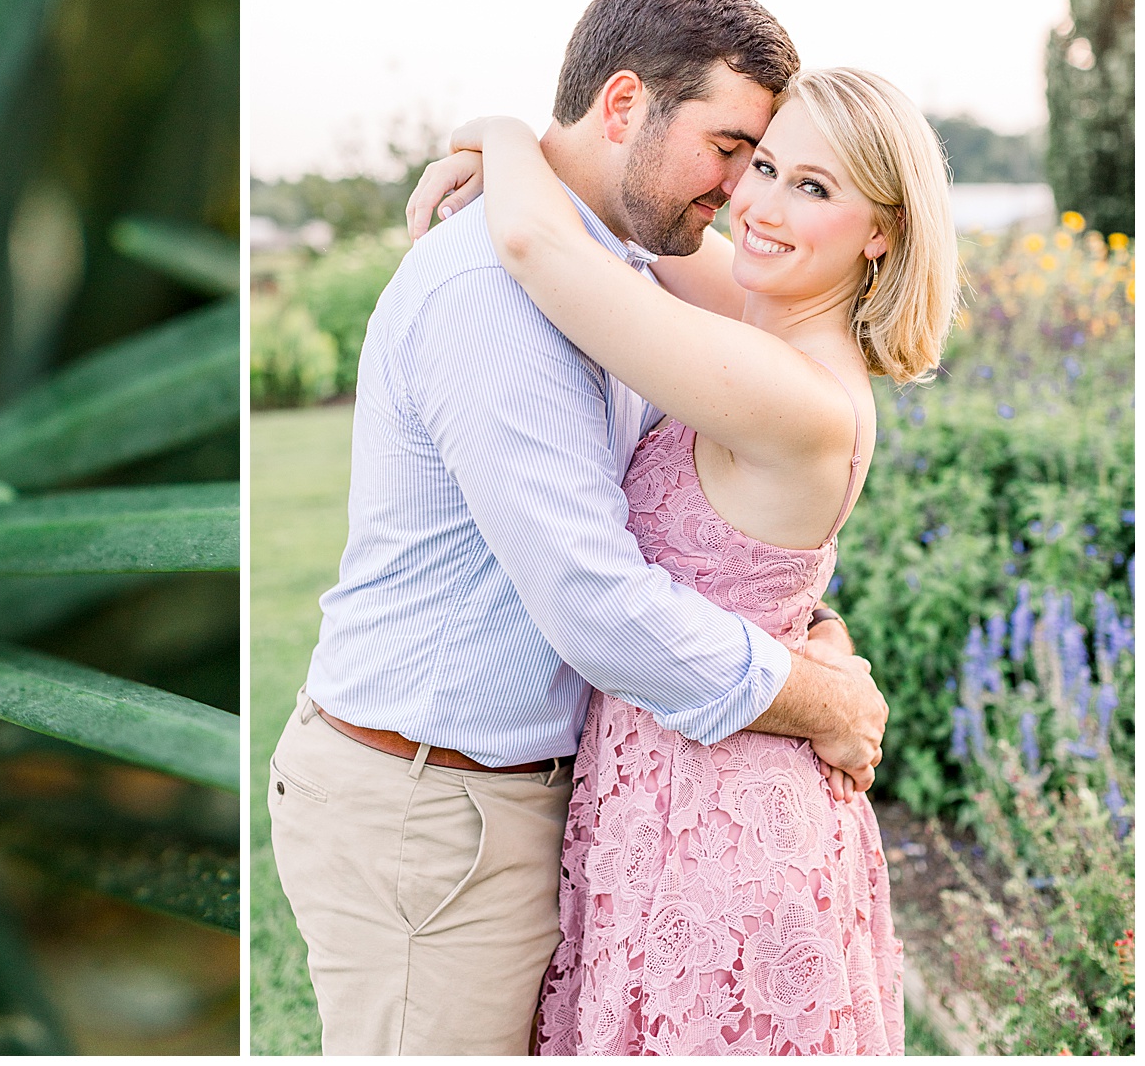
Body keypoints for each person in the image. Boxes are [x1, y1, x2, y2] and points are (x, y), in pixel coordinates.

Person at [266, 0, 891, 1056]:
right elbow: (596, 603)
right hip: (434, 814)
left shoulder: (629, 274)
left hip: (556, 805)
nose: (739, 196)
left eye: (785, 172)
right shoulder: (501, 292)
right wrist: (821, 697)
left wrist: (503, 142)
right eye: (738, 153)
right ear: (623, 106)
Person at [409, 65, 959, 1053]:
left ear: (883, 230)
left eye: (816, 188)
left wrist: (496, 130)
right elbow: (633, 231)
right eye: (764, 165)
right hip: (664, 790)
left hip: (723, 830)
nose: (761, 204)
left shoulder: (794, 391)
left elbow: (539, 241)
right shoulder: (760, 310)